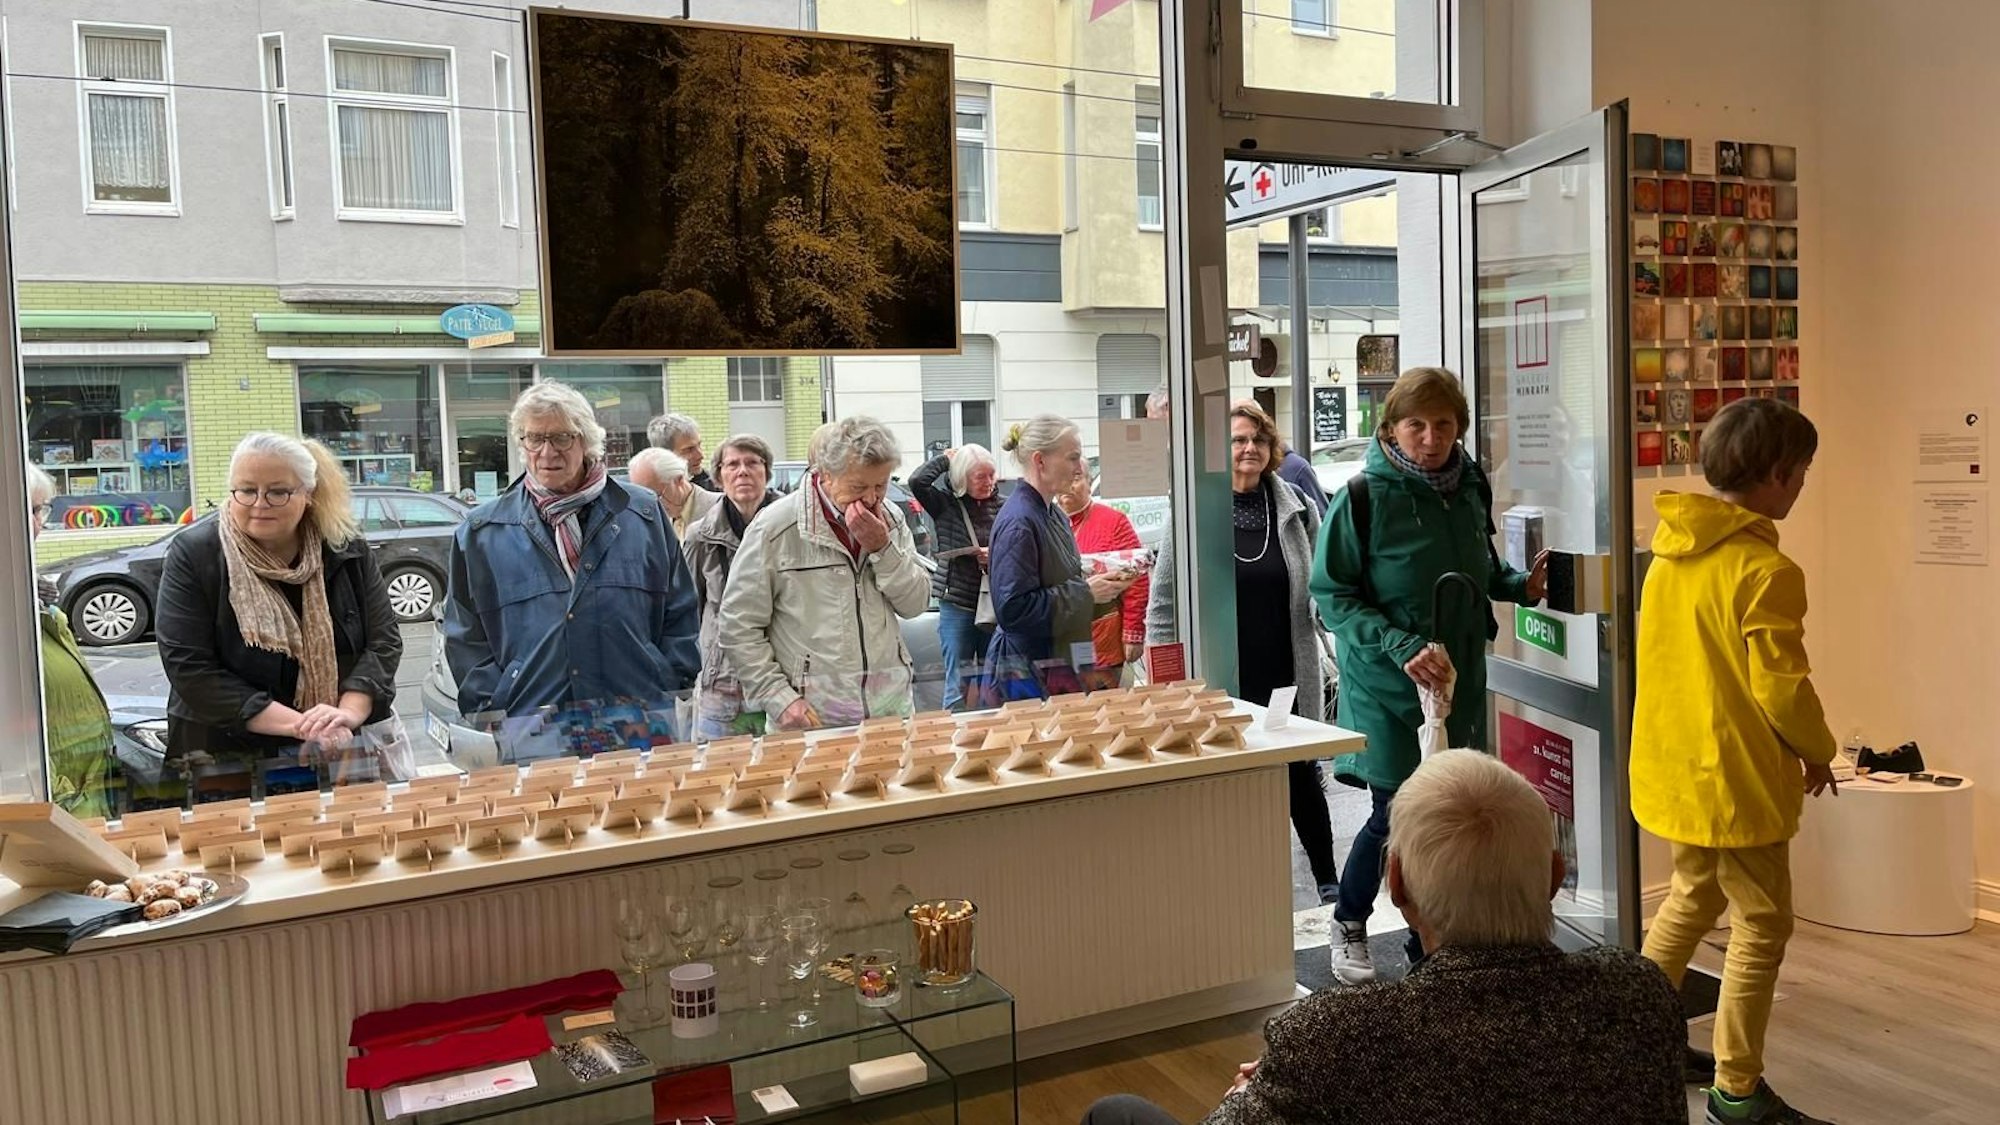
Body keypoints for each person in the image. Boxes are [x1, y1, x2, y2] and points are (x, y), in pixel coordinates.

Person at [1080, 750, 1686, 1125]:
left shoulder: (1332, 1035)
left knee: (1116, 1114)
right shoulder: (1640, 995)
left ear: (1396, 882)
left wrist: (1256, 1094)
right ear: (1554, 877)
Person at [1632, 398, 1837, 1125]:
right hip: (1737, 781)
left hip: (1676, 771)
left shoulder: (1667, 557)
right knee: (1762, 923)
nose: (1804, 485)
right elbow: (1781, 691)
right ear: (1777, 473)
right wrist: (1820, 751)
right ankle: (1737, 1088)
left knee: (1690, 897)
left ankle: (1636, 1046)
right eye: (1803, 472)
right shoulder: (1766, 570)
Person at [1309, 367, 1548, 984]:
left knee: (1454, 813)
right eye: (1416, 424)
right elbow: (1331, 595)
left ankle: (1437, 949)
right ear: (1391, 428)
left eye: (1444, 425)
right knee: (1397, 811)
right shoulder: (1360, 496)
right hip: (1389, 686)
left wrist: (1524, 586)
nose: (1430, 437)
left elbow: (1484, 573)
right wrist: (1398, 642)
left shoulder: (1469, 487)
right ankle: (1354, 920)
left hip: (1456, 684)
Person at [444, 383, 699, 718]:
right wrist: (493, 704)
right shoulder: (482, 532)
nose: (547, 452)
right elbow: (465, 636)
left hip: (639, 715)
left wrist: (669, 677)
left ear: (586, 441)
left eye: (561, 437)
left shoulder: (642, 513)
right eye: (534, 438)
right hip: (532, 725)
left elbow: (680, 610)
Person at [156, 432, 402, 771]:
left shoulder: (346, 548)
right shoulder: (195, 553)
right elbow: (189, 668)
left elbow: (383, 643)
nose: (259, 503)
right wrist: (304, 727)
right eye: (246, 490)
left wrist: (346, 715)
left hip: (344, 750)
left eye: (278, 491)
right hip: (228, 759)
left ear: (309, 494)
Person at [717, 416, 931, 730]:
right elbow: (738, 626)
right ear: (826, 475)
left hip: (890, 709)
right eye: (859, 487)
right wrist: (778, 697)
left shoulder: (891, 519)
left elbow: (915, 604)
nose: (872, 499)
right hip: (811, 718)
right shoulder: (776, 527)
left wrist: (883, 550)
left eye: (881, 485)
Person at [982, 415, 1135, 701]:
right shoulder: (1020, 522)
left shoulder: (1051, 514)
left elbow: (1059, 582)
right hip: (1027, 675)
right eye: (1073, 457)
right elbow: (1013, 610)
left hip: (1055, 666)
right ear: (1040, 461)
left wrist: (1102, 586)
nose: (1080, 468)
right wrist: (1086, 592)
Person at [26, 466, 116, 818]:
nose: (39, 524)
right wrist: (59, 797)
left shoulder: (26, 588)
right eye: (31, 510)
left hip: (78, 798)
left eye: (41, 509)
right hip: (52, 809)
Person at [682, 434, 782, 738]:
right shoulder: (701, 536)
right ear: (718, 476)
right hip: (723, 686)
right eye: (733, 465)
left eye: (753, 463)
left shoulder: (789, 527)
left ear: (766, 471)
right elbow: (687, 609)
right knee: (719, 775)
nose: (743, 472)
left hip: (783, 684)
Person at [906, 444, 1003, 709]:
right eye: (980, 477)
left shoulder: (1004, 506)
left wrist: (994, 554)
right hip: (957, 603)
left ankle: (991, 735)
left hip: (992, 603)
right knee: (957, 681)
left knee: (990, 678)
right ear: (962, 478)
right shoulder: (945, 505)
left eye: (991, 475)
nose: (989, 482)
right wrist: (945, 460)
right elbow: (917, 481)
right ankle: (955, 739)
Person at [1054, 471, 1147, 674]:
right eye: (1063, 479)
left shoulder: (1114, 522)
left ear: (1089, 482)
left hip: (1103, 637)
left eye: (1075, 478)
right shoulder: (1047, 522)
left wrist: (1133, 633)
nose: (1068, 486)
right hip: (1059, 638)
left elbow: (1136, 580)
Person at [629, 446, 719, 542]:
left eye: (656, 495)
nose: (650, 505)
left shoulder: (718, 509)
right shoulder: (653, 523)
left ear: (678, 479)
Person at [647, 412, 715, 491]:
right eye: (689, 450)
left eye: (699, 445)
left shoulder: (717, 488)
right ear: (664, 455)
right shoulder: (646, 494)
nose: (701, 456)